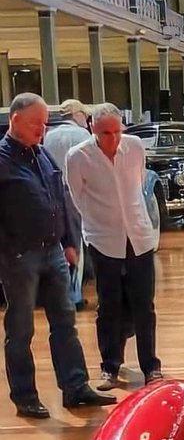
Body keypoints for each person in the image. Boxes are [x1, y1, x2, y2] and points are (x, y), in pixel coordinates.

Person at [0, 93, 115, 418]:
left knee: (65, 323)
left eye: (44, 123)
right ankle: (25, 396)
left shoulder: (42, 154)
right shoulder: (2, 160)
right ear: (15, 120)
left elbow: (59, 195)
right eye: (36, 123)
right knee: (21, 329)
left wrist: (67, 241)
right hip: (20, 257)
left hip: (53, 253)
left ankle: (75, 387)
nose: (42, 129)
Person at [66, 104, 162, 391]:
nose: (113, 138)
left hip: (139, 237)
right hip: (103, 239)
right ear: (92, 128)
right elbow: (76, 197)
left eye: (117, 131)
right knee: (108, 305)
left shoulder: (134, 147)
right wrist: (99, 222)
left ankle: (151, 366)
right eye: (106, 132)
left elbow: (139, 182)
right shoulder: (78, 156)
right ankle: (110, 366)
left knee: (144, 304)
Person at [43, 99, 91, 308]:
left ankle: (58, 294)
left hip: (52, 194)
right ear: (78, 115)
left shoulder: (49, 135)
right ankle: (75, 296)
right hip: (74, 193)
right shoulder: (82, 134)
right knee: (76, 244)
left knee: (61, 245)